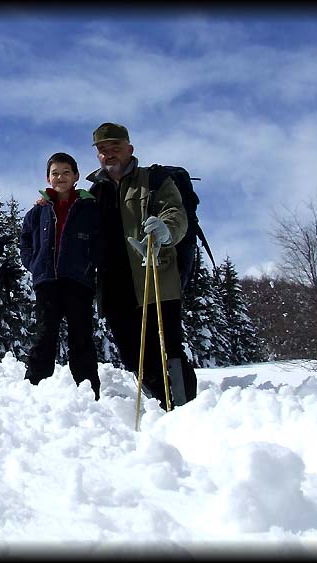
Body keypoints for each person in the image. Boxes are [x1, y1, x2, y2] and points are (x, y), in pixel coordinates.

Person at [86, 122, 195, 408]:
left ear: (130, 149)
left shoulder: (154, 180)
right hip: (114, 288)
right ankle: (160, 404)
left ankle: (185, 410)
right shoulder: (93, 193)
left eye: (116, 147)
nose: (109, 154)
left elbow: (175, 211)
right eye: (103, 149)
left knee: (168, 350)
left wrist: (165, 231)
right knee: (133, 355)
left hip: (155, 279)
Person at [19, 152, 102, 400]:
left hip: (78, 281)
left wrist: (91, 264)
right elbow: (25, 239)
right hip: (47, 282)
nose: (60, 177)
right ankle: (33, 390)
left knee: (81, 337)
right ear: (48, 178)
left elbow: (100, 242)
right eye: (55, 173)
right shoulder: (38, 211)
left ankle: (89, 393)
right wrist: (34, 264)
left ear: (76, 176)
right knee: (45, 336)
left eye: (66, 172)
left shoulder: (88, 207)